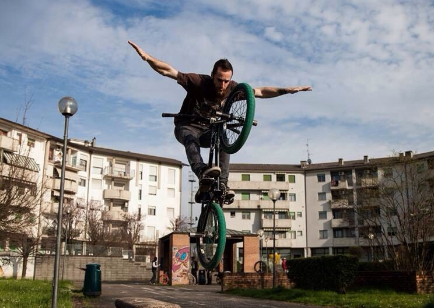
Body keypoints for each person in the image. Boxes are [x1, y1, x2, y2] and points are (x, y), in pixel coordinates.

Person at [128, 40, 312, 203]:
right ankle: (201, 172)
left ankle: (222, 184)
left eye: (226, 81)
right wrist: (147, 58)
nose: (222, 85)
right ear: (212, 75)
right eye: (219, 80)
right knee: (190, 138)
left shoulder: (233, 89)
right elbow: (168, 71)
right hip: (187, 125)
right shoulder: (198, 81)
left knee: (223, 138)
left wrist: (286, 90)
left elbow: (260, 92)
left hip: (210, 131)